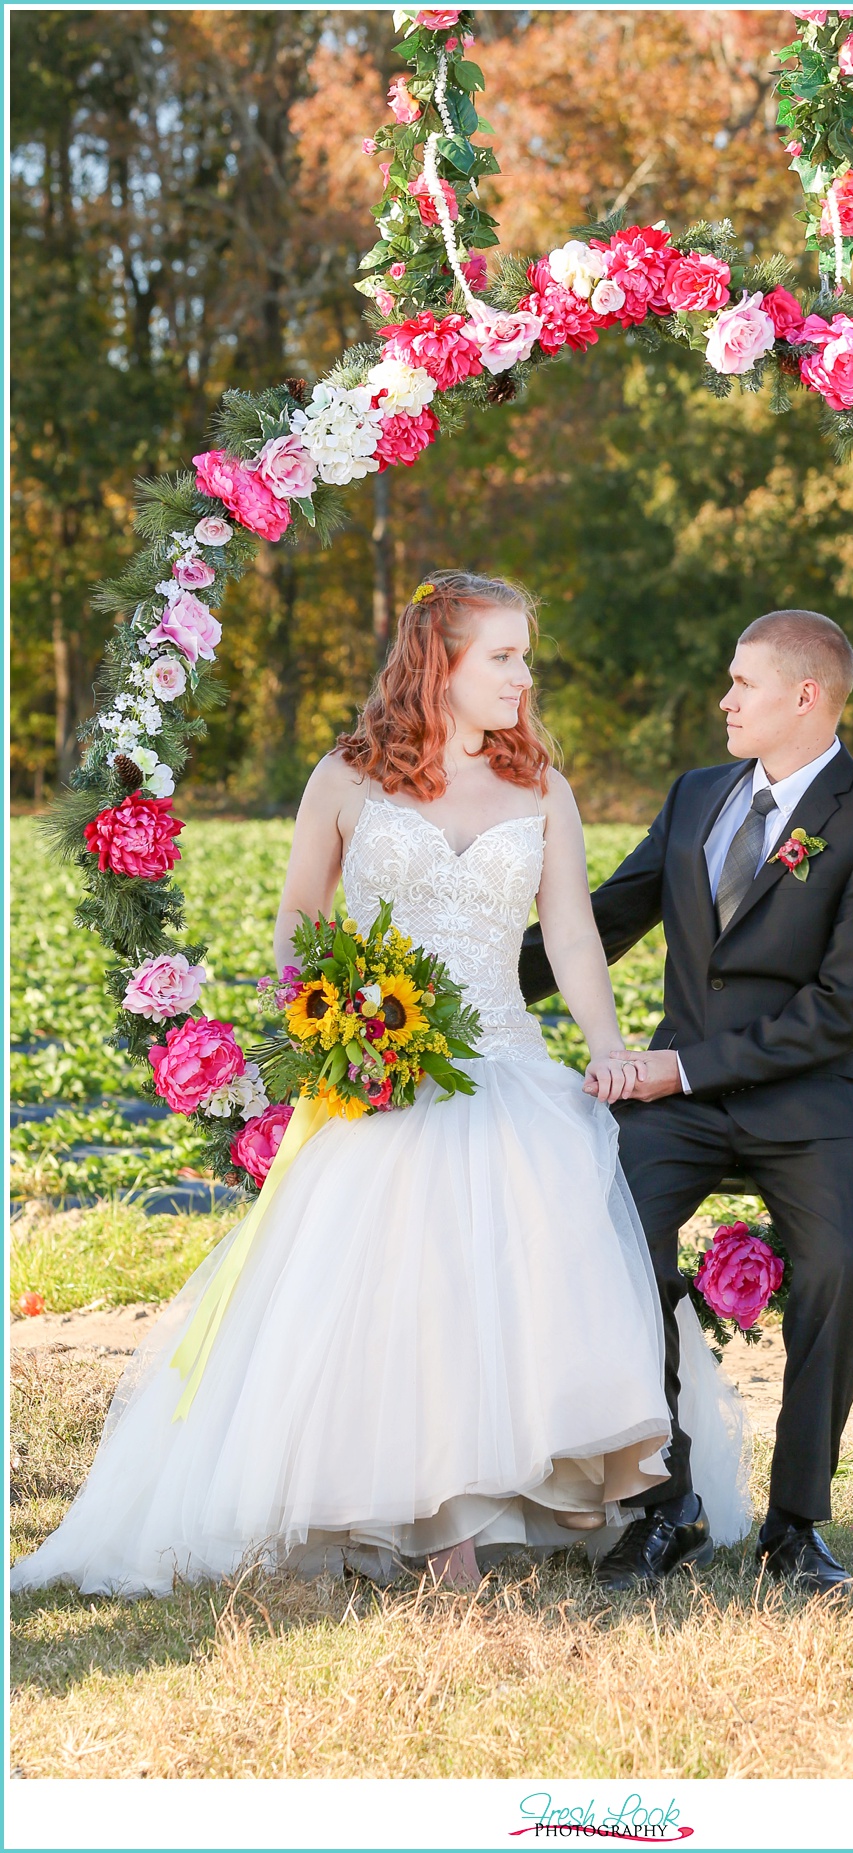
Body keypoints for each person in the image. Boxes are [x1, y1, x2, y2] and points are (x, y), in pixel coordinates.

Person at [10, 571, 750, 1601]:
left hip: (504, 1065)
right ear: (439, 661)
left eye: (525, 655)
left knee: (516, 1285)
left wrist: (608, 1043)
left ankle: (502, 1508)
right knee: (395, 1296)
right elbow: (298, 928)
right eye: (503, 655)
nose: (523, 676)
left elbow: (572, 931)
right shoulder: (346, 778)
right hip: (377, 1078)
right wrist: (335, 1028)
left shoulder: (541, 783)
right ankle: (430, 1536)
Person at [521, 609, 853, 1595]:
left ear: (807, 696)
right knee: (611, 1238)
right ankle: (667, 1506)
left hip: (808, 1099)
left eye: (743, 683)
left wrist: (680, 1067)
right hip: (681, 1106)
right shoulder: (698, 793)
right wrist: (472, 988)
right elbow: (607, 916)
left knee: (837, 1266)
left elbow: (845, 1006)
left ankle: (796, 1522)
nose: (724, 700)